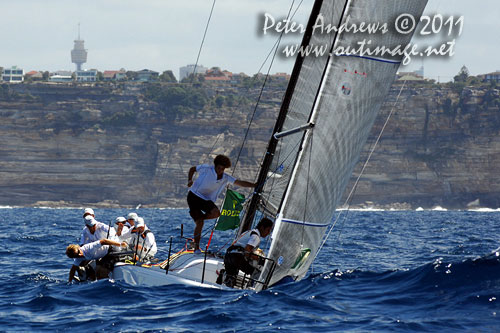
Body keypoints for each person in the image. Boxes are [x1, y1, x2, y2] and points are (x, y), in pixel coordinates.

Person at [187, 154, 255, 251]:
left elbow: (239, 182)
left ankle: (200, 218)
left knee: (216, 213)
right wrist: (190, 180)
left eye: (222, 169)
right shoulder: (207, 168)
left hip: (206, 200)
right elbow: (192, 169)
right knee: (200, 223)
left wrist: (254, 185)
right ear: (215, 166)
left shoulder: (225, 178)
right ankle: (196, 248)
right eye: (218, 168)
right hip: (194, 196)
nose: (220, 171)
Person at [223, 217, 274, 288]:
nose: (268, 233)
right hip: (236, 257)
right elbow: (247, 251)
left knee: (230, 278)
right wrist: (258, 258)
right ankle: (251, 288)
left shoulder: (250, 232)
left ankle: (226, 283)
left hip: (228, 255)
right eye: (268, 230)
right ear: (262, 228)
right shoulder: (256, 237)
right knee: (256, 272)